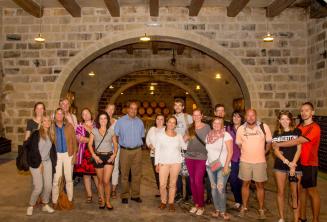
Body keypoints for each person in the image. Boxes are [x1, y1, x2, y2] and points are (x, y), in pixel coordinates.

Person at [273, 102, 321, 222]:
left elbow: (297, 141)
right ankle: (302, 217)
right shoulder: (299, 127)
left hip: (309, 163)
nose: (304, 113)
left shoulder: (314, 127)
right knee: (301, 192)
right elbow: (289, 140)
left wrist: (277, 144)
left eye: (307, 110)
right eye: (302, 110)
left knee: (312, 191)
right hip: (298, 163)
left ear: (312, 112)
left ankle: (315, 219)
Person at [236, 108, 272, 219]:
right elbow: (239, 145)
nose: (251, 117)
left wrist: (263, 153)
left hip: (260, 162)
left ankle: (261, 209)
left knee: (260, 186)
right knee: (245, 184)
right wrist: (248, 152)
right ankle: (245, 207)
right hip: (245, 161)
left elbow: (269, 143)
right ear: (245, 117)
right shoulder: (241, 129)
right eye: (248, 115)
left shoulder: (264, 127)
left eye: (253, 115)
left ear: (256, 116)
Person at [272, 111, 302, 222]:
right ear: (279, 120)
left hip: (295, 166)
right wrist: (287, 162)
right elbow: (275, 151)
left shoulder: (297, 131)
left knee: (295, 194)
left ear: (290, 120)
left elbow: (299, 149)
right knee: (281, 192)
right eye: (282, 119)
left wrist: (293, 164)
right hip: (280, 166)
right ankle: (282, 218)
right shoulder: (276, 133)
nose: (285, 121)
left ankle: (296, 219)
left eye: (287, 119)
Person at [114, 101, 145, 204]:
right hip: (125, 151)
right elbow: (116, 135)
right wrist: (120, 145)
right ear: (128, 109)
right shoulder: (120, 121)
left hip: (137, 151)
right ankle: (125, 195)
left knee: (136, 174)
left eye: (135, 108)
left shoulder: (140, 122)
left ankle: (135, 195)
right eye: (131, 108)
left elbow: (141, 136)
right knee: (124, 174)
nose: (133, 110)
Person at [26, 116, 57, 216]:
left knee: (48, 186)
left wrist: (53, 162)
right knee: (39, 187)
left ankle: (45, 204)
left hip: (47, 162)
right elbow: (33, 150)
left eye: (48, 120)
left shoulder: (51, 134)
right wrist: (39, 163)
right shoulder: (36, 134)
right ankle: (31, 205)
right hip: (36, 162)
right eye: (44, 121)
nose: (47, 122)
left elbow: (51, 151)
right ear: (42, 123)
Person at [155, 116, 187, 212]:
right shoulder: (160, 135)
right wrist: (157, 163)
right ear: (167, 123)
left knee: (173, 184)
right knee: (162, 184)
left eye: (174, 122)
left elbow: (184, 147)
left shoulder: (178, 136)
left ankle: (171, 202)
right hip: (163, 163)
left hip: (176, 163)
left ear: (175, 125)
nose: (171, 124)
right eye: (170, 122)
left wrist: (188, 137)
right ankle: (163, 201)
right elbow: (157, 150)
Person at [89, 111, 118, 210]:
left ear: (107, 120)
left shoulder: (111, 131)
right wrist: (94, 156)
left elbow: (115, 144)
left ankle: (108, 201)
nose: (103, 120)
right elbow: (89, 144)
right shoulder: (94, 130)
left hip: (109, 156)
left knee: (106, 181)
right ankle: (102, 200)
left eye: (105, 118)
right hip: (98, 157)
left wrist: (114, 154)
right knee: (100, 181)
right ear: (98, 120)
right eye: (101, 118)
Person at [206, 117, 233, 220]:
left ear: (222, 125)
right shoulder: (208, 135)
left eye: (219, 123)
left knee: (220, 188)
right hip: (210, 165)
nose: (216, 125)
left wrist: (226, 166)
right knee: (213, 188)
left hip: (223, 166)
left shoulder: (226, 135)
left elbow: (230, 152)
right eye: (215, 123)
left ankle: (223, 211)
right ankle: (217, 209)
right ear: (212, 124)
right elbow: (208, 151)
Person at [185, 109, 211, 216]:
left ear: (202, 116)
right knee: (192, 181)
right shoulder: (190, 127)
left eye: (198, 115)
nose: (196, 117)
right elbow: (185, 140)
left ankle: (201, 205)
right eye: (194, 115)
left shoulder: (207, 127)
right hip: (189, 156)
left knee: (198, 181)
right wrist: (185, 138)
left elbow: (210, 140)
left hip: (201, 157)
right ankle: (196, 203)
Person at [51, 108, 77, 209]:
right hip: (56, 155)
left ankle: (70, 200)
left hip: (68, 154)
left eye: (61, 114)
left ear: (64, 116)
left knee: (69, 178)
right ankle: (54, 201)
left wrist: (74, 154)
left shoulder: (69, 126)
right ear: (55, 115)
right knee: (56, 179)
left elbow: (74, 141)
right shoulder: (51, 127)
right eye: (57, 113)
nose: (59, 115)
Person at [74, 108, 99, 203]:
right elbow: (80, 139)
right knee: (86, 175)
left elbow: (101, 137)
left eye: (87, 113)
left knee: (97, 174)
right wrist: (93, 139)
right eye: (83, 114)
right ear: (82, 116)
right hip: (84, 153)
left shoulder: (97, 125)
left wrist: (89, 139)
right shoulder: (79, 126)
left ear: (90, 114)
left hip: (96, 153)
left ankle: (101, 194)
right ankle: (89, 195)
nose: (85, 115)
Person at [173, 98, 192, 202]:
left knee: (187, 173)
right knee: (177, 172)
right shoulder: (172, 118)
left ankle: (189, 194)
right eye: (176, 105)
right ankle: (179, 193)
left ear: (183, 107)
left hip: (186, 148)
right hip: (176, 149)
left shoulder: (188, 117)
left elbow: (194, 129)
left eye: (179, 105)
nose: (177, 107)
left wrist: (188, 135)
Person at [226, 111, 244, 210]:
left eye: (238, 117)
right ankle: (238, 200)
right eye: (234, 116)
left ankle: (242, 201)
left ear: (241, 118)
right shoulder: (228, 129)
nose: (236, 118)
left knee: (242, 182)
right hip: (232, 159)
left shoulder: (245, 129)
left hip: (244, 158)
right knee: (233, 181)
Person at [146, 114, 166, 197]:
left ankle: (165, 190)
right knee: (157, 173)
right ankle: (160, 190)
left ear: (164, 121)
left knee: (164, 174)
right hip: (153, 155)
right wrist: (151, 146)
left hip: (164, 156)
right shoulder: (152, 129)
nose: (159, 121)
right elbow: (147, 140)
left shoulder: (166, 129)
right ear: (155, 120)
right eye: (158, 119)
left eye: (162, 119)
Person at [105, 103, 119, 199]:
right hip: (103, 149)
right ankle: (105, 188)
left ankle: (113, 189)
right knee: (104, 169)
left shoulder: (117, 122)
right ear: (105, 109)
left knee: (115, 168)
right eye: (109, 109)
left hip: (115, 148)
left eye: (112, 109)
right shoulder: (101, 120)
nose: (110, 111)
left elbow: (119, 135)